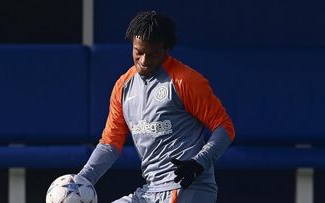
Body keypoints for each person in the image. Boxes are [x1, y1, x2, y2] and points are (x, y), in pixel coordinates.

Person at [75, 10, 235, 203]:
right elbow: (110, 143)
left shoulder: (185, 81)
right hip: (150, 191)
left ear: (166, 50)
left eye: (151, 54)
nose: (143, 61)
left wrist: (198, 163)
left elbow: (224, 127)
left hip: (188, 188)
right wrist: (81, 180)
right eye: (138, 52)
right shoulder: (123, 86)